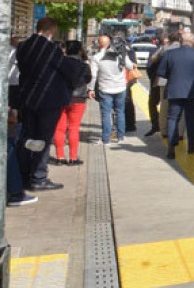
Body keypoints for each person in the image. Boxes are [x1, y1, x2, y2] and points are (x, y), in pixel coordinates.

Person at [15, 17, 75, 193]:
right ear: (52, 30)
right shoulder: (50, 48)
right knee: (44, 138)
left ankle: (24, 175)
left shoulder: (23, 46)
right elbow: (66, 69)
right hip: (47, 100)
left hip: (27, 98)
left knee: (28, 137)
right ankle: (39, 177)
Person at [156, 30, 194, 159]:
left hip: (174, 92)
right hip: (191, 93)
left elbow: (161, 72)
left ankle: (171, 147)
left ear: (181, 41)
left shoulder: (169, 54)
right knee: (191, 119)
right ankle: (191, 146)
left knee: (172, 118)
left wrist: (172, 75)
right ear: (192, 42)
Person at [51, 40, 91, 166]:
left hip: (61, 98)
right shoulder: (84, 65)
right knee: (74, 128)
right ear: (79, 50)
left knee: (59, 128)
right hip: (78, 99)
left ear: (66, 50)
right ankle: (73, 158)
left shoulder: (59, 64)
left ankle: (60, 157)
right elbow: (88, 79)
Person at [88, 33, 134, 145]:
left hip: (105, 88)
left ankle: (106, 140)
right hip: (120, 87)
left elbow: (93, 76)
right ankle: (121, 137)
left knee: (106, 114)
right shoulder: (120, 54)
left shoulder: (96, 58)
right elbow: (130, 66)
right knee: (120, 112)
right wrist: (125, 56)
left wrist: (91, 89)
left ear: (99, 44)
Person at [146, 31, 180, 136]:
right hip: (158, 82)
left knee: (167, 106)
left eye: (168, 41)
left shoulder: (168, 50)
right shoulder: (158, 50)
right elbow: (149, 66)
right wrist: (153, 79)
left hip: (165, 82)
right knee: (153, 104)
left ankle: (165, 128)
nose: (167, 43)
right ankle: (156, 126)